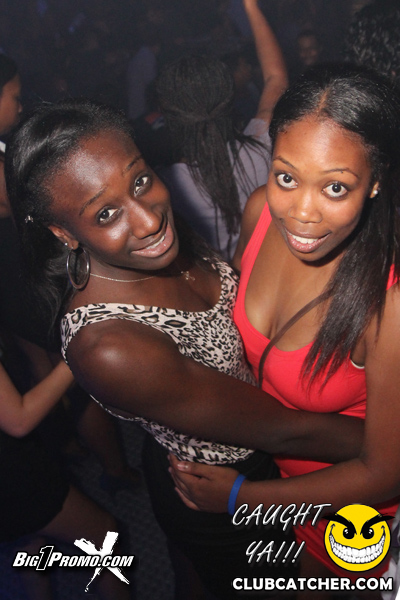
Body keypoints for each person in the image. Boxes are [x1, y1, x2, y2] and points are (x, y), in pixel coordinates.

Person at [5, 97, 365, 599]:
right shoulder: (108, 346)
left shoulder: (159, 239)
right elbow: (285, 431)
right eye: (106, 213)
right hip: (230, 487)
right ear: (64, 232)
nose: (148, 219)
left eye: (139, 181)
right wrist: (383, 448)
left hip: (254, 448)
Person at [168, 63, 400, 581]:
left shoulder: (390, 302)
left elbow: (385, 472)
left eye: (335, 188)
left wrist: (243, 498)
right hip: (276, 478)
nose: (301, 213)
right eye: (287, 177)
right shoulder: (259, 214)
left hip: (352, 513)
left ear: (376, 183)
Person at [156, 0, 287, 261]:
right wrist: (250, 5)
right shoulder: (259, 151)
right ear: (229, 100)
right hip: (262, 272)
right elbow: (276, 78)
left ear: (169, 116)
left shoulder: (163, 186)